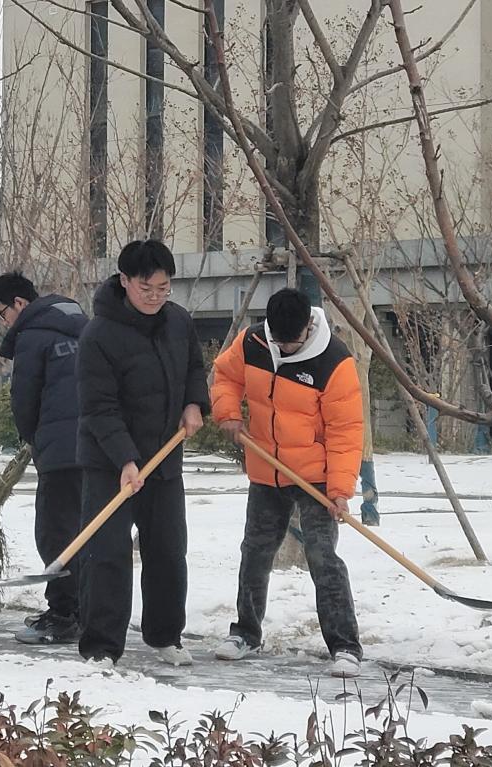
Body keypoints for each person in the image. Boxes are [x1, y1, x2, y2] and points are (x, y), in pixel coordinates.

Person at [210, 287, 364, 677]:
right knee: (255, 551)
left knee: (322, 557)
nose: (284, 348)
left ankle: (345, 646)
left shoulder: (334, 361)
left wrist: (340, 491)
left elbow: (346, 432)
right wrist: (228, 413)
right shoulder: (253, 342)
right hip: (265, 468)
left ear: (308, 326)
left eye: (290, 343)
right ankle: (246, 633)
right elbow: (225, 376)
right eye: (278, 341)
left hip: (315, 477)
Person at [76, 239, 209, 668]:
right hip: (109, 462)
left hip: (164, 458)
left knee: (168, 550)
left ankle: (166, 635)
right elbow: (99, 406)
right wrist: (125, 459)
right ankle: (101, 646)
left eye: (163, 288)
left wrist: (194, 403)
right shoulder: (98, 335)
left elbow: (194, 367)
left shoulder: (178, 321)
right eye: (145, 288)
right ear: (124, 281)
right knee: (108, 553)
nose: (155, 297)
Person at [0, 271, 89, 645]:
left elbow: (24, 397)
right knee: (87, 531)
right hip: (96, 447)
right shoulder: (83, 325)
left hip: (59, 451)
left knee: (55, 533)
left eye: (2, 313)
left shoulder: (32, 334)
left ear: (20, 304)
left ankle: (63, 614)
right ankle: (88, 610)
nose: (4, 323)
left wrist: (31, 438)